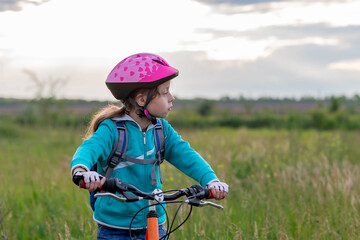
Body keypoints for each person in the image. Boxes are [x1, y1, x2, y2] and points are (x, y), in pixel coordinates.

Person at [70, 53, 229, 239]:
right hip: (115, 227)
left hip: (156, 222)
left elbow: (185, 154)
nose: (172, 97)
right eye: (165, 91)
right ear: (141, 99)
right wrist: (82, 171)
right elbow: (89, 149)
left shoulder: (161, 130)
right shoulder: (113, 129)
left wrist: (211, 181)